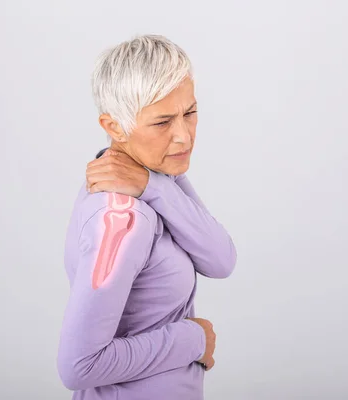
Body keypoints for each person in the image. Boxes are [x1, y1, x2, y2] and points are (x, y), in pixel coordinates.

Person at [56, 34, 237, 400]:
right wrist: (195, 339)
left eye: (190, 112)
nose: (183, 137)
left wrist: (153, 185)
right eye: (162, 122)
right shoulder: (120, 221)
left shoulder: (159, 180)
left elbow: (221, 260)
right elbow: (79, 366)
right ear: (113, 127)